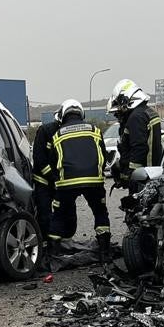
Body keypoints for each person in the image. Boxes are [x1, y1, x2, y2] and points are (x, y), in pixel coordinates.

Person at [46, 99, 111, 261]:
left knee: (59, 216)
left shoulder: (57, 135)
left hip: (66, 183)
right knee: (100, 213)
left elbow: (53, 162)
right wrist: (99, 174)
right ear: (81, 113)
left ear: (62, 116)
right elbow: (103, 156)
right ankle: (104, 252)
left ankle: (54, 255)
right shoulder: (95, 131)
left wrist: (57, 180)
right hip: (93, 181)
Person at [107, 79, 162, 191]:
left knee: (138, 207)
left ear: (126, 100)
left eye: (118, 109)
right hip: (153, 173)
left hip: (143, 178)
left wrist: (129, 175)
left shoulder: (136, 117)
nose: (118, 114)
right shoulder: (148, 112)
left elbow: (139, 148)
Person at [31, 107, 63, 247]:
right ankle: (45, 242)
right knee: (44, 212)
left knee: (63, 210)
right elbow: (39, 158)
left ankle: (58, 240)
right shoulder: (46, 130)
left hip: (60, 181)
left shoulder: (67, 131)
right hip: (43, 180)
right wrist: (52, 178)